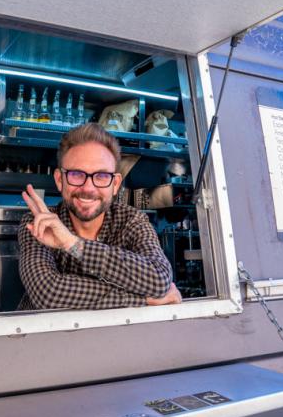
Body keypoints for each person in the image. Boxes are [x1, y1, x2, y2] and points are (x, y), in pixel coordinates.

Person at [18, 123, 182, 310]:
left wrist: (73, 244)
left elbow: (159, 279)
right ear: (59, 180)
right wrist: (141, 300)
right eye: (76, 174)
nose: (88, 188)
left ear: (115, 184)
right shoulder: (39, 222)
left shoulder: (132, 221)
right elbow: (49, 293)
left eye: (102, 176)